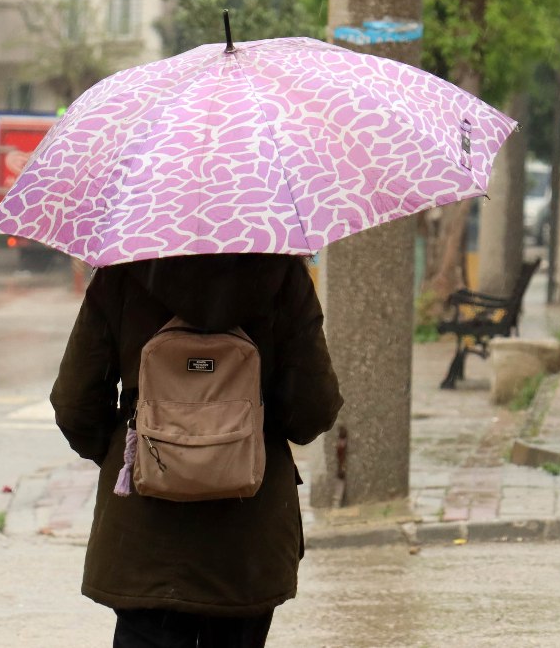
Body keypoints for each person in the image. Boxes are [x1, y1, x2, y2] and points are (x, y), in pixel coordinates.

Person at [51, 253, 343, 648]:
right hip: (247, 537)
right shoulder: (281, 274)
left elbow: (74, 403)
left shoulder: (123, 274)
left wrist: (133, 449)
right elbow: (312, 410)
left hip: (144, 532)